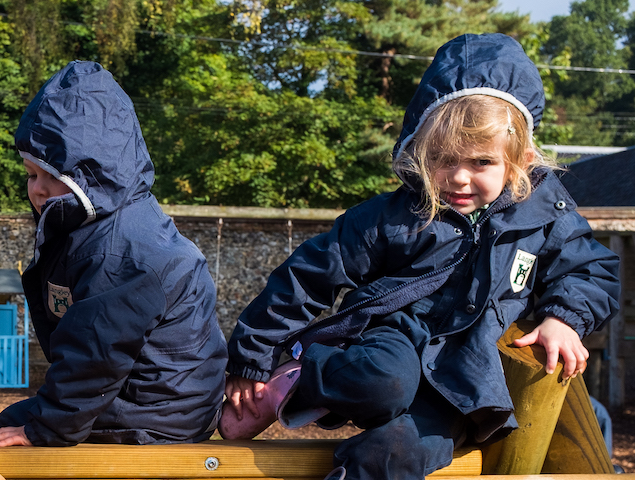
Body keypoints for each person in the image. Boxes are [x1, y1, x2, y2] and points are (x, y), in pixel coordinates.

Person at [220, 33, 621, 480]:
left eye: (481, 163)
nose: (459, 178)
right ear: (418, 150)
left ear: (520, 160)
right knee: (384, 383)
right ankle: (293, 382)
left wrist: (564, 318)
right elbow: (306, 276)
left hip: (468, 380)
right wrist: (251, 360)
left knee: (394, 453)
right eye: (442, 159)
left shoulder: (545, 214)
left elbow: (591, 268)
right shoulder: (394, 216)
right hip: (395, 343)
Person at [0, 61, 228, 447]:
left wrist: (46, 430)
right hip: (158, 399)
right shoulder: (96, 228)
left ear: (95, 175)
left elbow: (95, 354)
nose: (39, 190)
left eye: (57, 178)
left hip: (158, 412)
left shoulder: (120, 250)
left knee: (21, 424)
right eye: (32, 175)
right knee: (18, 418)